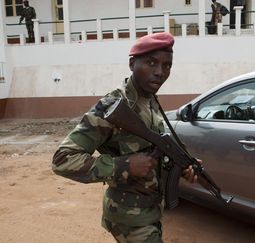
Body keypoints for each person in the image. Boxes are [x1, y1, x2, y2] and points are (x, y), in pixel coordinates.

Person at [52, 32, 200, 242]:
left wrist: (180, 164)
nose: (160, 72)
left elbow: (152, 151)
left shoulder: (149, 100)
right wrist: (123, 166)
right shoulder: (113, 107)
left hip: (151, 212)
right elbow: (62, 160)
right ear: (132, 64)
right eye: (151, 62)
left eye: (167, 65)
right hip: (129, 218)